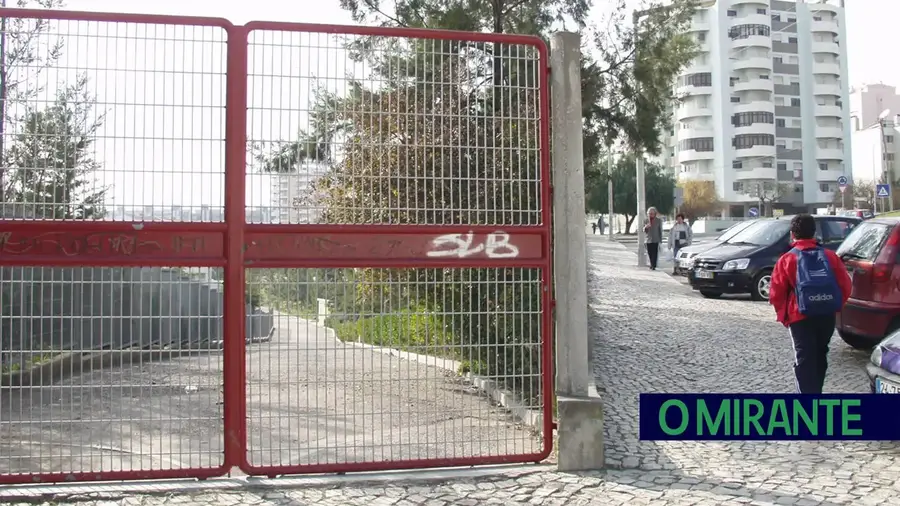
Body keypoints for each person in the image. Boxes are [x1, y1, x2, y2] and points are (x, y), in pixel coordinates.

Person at [768, 214, 852, 394]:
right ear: (814, 232)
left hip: (799, 317)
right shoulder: (830, 256)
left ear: (792, 234)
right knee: (821, 354)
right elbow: (845, 285)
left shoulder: (787, 259)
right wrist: (834, 306)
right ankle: (817, 394)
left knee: (804, 359)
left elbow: (776, 293)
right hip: (826, 314)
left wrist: (785, 317)